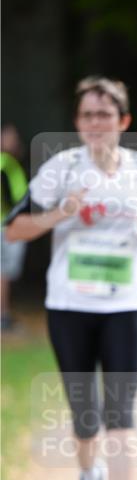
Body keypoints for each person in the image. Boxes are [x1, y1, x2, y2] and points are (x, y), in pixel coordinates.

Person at [5, 76, 137, 480]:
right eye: (87, 116)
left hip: (127, 303)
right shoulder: (60, 169)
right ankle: (89, 479)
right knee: (85, 416)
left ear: (123, 121)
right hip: (70, 305)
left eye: (105, 115)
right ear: (77, 124)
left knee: (120, 411)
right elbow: (14, 229)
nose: (96, 123)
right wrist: (60, 213)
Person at [1, 124, 29, 331]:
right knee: (3, 273)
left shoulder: (10, 163)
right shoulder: (5, 164)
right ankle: (3, 315)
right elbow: (14, 198)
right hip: (7, 226)